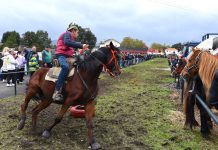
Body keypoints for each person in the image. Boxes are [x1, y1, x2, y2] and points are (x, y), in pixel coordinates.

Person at [52, 22, 89, 102]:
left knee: (80, 65)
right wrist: (81, 45)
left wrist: (81, 50)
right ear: (73, 31)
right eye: (77, 32)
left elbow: (70, 47)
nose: (78, 34)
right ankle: (57, 91)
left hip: (68, 56)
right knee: (65, 67)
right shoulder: (67, 34)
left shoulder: (71, 38)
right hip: (61, 55)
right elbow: (67, 43)